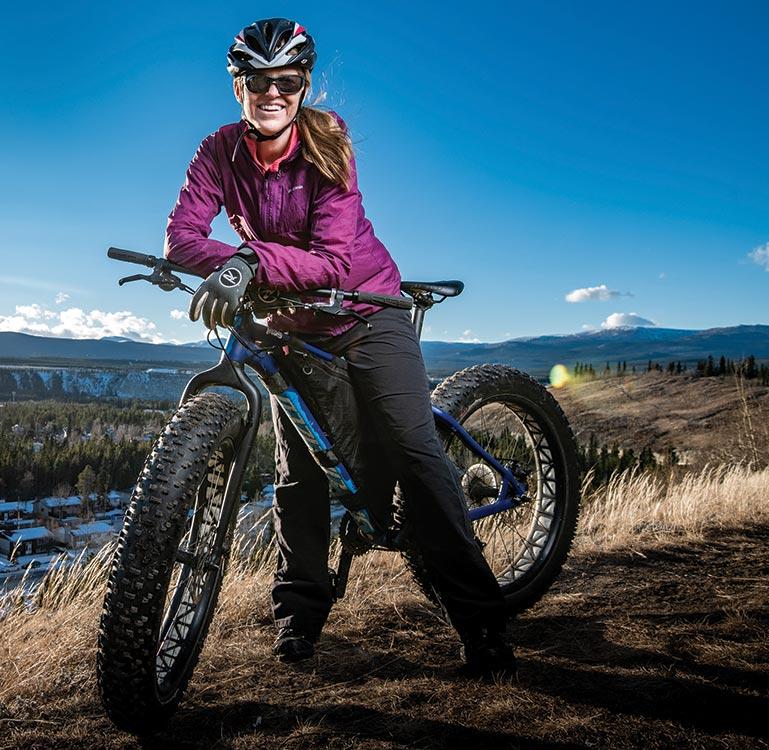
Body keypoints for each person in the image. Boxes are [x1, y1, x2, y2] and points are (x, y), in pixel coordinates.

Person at [164, 18, 513, 678]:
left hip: (366, 312)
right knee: (299, 472)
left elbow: (329, 260)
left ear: (303, 87)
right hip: (290, 328)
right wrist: (237, 264)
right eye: (258, 82)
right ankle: (298, 619)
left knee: (414, 452)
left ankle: (483, 622)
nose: (273, 94)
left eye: (287, 82)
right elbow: (182, 239)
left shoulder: (330, 143)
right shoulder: (216, 152)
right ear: (237, 86)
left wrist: (241, 262)